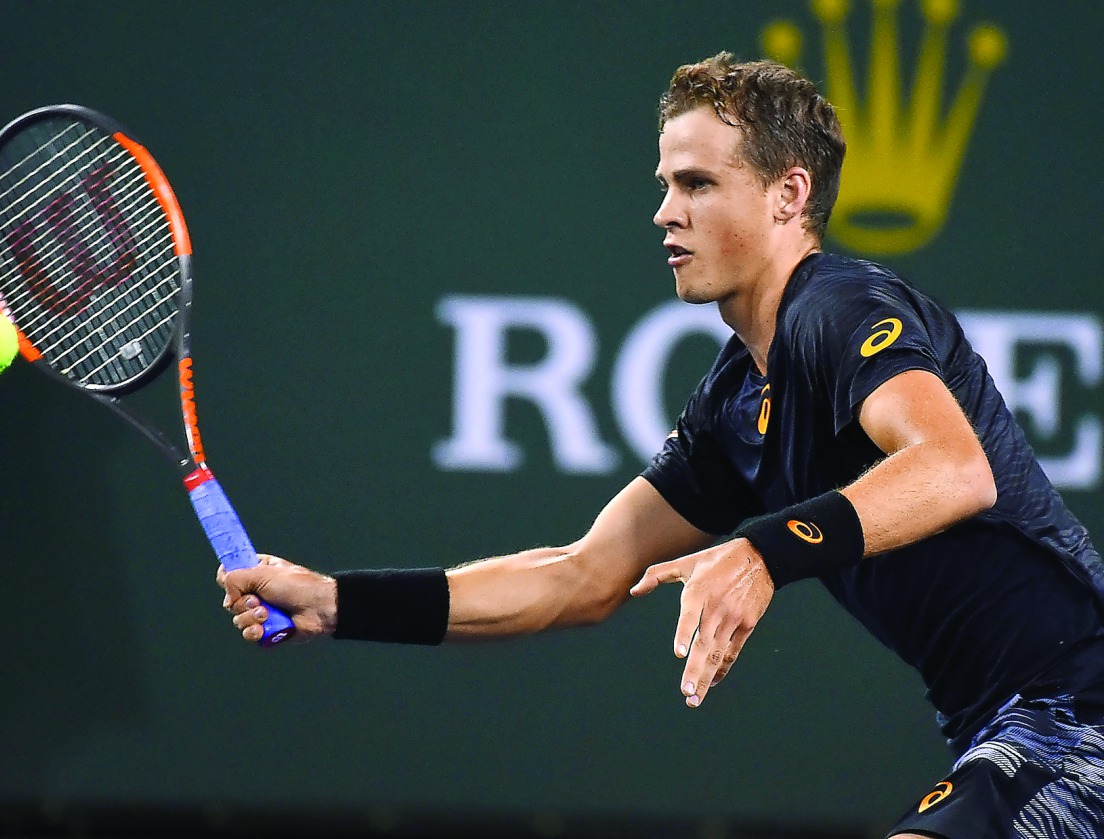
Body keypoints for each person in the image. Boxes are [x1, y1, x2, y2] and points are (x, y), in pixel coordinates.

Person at [217, 53, 1104, 838]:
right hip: (1008, 730)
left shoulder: (837, 309)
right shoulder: (733, 405)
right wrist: (339, 602)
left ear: (790, 195)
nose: (663, 213)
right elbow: (579, 574)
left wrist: (764, 549)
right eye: (665, 183)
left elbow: (955, 468)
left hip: (1079, 714)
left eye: (697, 185)